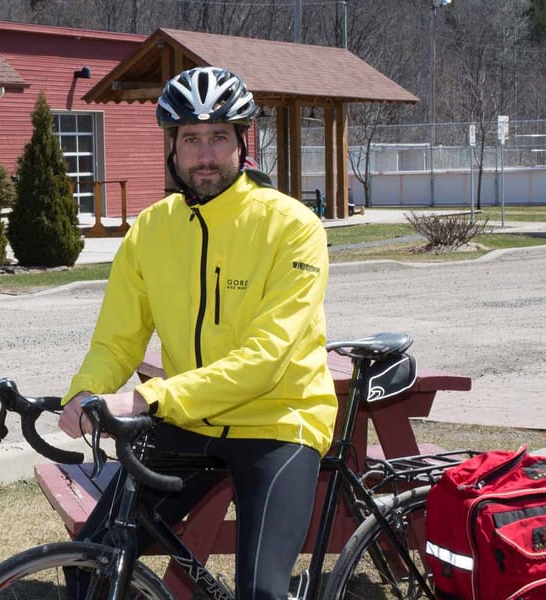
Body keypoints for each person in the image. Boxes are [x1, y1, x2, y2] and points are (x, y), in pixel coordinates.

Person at [59, 66, 338, 600]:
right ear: (173, 146)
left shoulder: (293, 226)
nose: (204, 155)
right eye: (191, 139)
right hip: (190, 419)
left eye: (217, 138)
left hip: (279, 419)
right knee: (91, 562)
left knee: (262, 592)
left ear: (241, 143)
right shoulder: (151, 229)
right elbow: (117, 341)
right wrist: (86, 393)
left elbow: (266, 360)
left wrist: (150, 396)